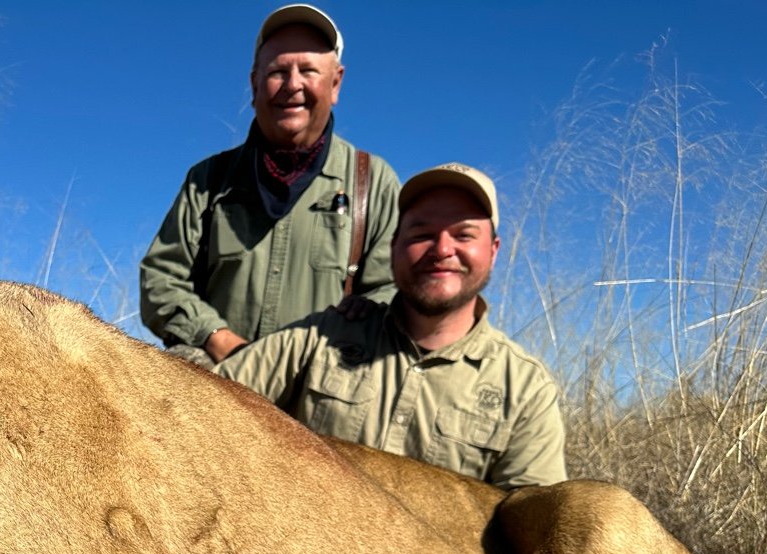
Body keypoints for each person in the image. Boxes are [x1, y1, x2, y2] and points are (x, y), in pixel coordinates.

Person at [217, 163, 567, 489]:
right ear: (394, 246)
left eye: (463, 235)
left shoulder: (526, 389)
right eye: (421, 233)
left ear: (493, 251)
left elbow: (535, 528)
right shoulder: (320, 338)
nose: (442, 249)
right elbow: (208, 407)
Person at [139, 4, 400, 365]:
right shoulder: (208, 180)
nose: (293, 85)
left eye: (309, 71)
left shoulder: (374, 182)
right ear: (254, 83)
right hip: (221, 379)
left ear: (336, 83)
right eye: (278, 71)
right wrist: (217, 339)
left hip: (318, 386)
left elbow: (393, 290)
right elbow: (160, 279)